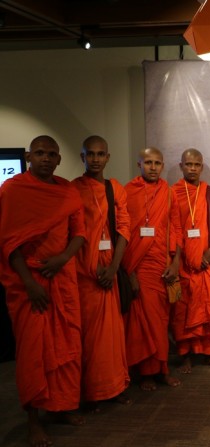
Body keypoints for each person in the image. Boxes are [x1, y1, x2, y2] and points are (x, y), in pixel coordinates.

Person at [0, 136, 86, 446]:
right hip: (29, 285)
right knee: (33, 354)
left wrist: (64, 257)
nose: (46, 158)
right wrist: (30, 283)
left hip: (62, 279)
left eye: (52, 154)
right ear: (27, 156)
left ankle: (60, 408)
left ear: (60, 160)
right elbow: (8, 244)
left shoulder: (67, 192)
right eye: (39, 153)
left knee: (66, 346)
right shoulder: (12, 190)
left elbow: (80, 233)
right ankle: (33, 420)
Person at [72, 135, 131, 411]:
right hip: (86, 274)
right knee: (91, 337)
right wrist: (94, 268)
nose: (95, 159)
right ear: (82, 157)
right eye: (90, 154)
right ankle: (94, 392)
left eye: (100, 154)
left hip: (110, 269)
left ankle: (116, 385)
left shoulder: (115, 188)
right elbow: (72, 234)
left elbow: (124, 229)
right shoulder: (73, 190)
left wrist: (113, 267)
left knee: (114, 334)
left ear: (108, 157)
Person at [123, 147, 183, 390]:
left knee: (161, 320)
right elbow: (123, 234)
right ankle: (147, 372)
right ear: (139, 164)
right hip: (138, 266)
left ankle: (163, 368)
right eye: (148, 162)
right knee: (143, 323)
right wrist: (130, 272)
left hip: (163, 266)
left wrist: (176, 262)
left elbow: (176, 228)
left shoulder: (169, 193)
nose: (153, 167)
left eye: (157, 163)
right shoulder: (128, 192)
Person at [172, 148, 210, 372]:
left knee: (209, 312)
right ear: (181, 166)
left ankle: (209, 354)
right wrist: (180, 258)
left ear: (202, 166)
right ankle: (186, 355)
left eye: (197, 165)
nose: (193, 169)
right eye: (189, 165)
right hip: (184, 265)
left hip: (205, 265)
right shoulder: (173, 193)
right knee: (182, 312)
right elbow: (173, 229)